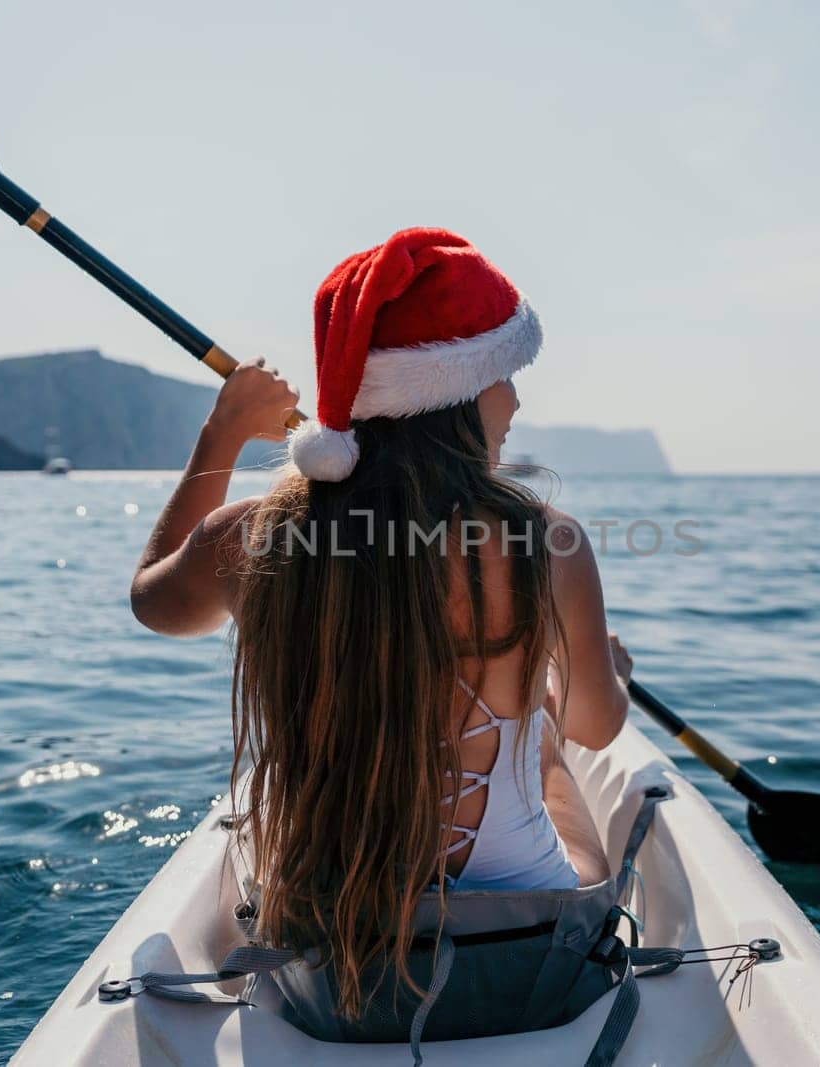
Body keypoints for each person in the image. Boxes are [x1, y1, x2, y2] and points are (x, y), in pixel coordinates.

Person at [130, 227, 634, 1019]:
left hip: (318, 956)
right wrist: (579, 672)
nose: (516, 401)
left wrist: (222, 431)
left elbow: (154, 603)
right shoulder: (548, 541)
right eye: (503, 375)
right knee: (540, 741)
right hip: (522, 945)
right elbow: (597, 727)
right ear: (456, 392)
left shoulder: (254, 536)